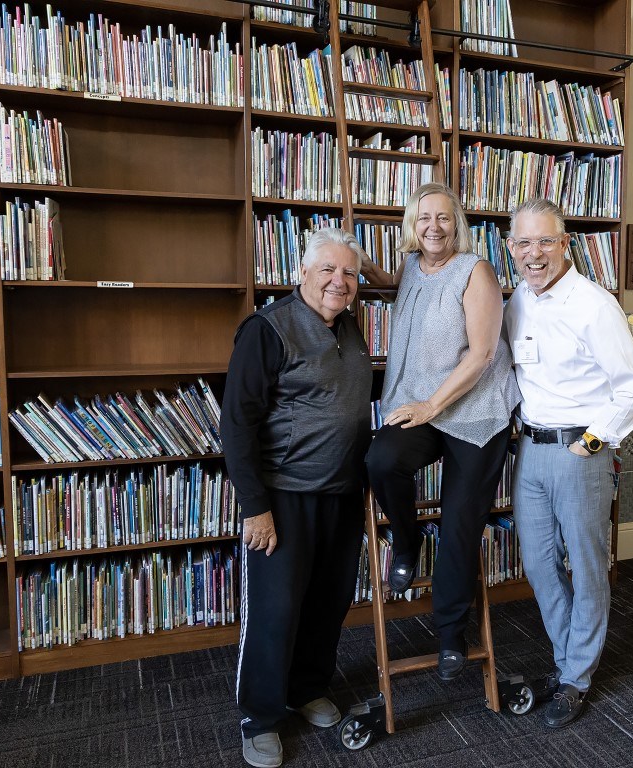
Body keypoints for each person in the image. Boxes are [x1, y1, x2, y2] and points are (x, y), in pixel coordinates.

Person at [222, 228, 373, 768]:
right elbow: (238, 424)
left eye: (350, 274)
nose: (340, 281)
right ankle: (260, 715)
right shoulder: (267, 329)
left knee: (328, 600)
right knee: (275, 609)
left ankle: (307, 688)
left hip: (342, 493)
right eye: (328, 270)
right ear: (301, 273)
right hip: (283, 497)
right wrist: (254, 507)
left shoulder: (350, 326)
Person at [362, 182, 519, 681]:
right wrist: (367, 270)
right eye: (424, 217)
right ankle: (407, 542)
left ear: (458, 225)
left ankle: (451, 633)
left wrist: (431, 404)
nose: (434, 226)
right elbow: (405, 290)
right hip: (426, 406)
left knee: (459, 524)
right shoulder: (411, 266)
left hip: (474, 412)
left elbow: (483, 354)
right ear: (413, 224)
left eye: (444, 218)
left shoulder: (477, 272)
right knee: (381, 460)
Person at [503, 198, 633, 729]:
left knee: (586, 568)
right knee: (540, 566)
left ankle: (576, 678)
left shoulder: (594, 304)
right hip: (531, 452)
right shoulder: (516, 300)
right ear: (511, 248)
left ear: (565, 244)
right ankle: (569, 663)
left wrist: (592, 442)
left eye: (546, 241)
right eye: (524, 243)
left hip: (578, 453)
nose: (534, 253)